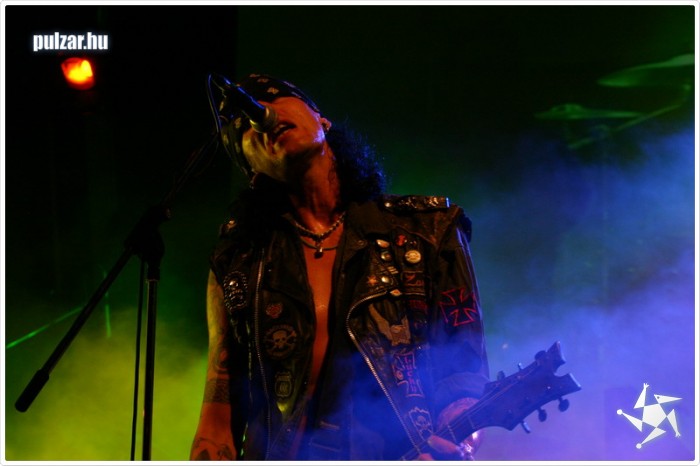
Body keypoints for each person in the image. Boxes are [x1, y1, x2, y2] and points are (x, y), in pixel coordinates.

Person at [190, 74, 490, 461]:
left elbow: (464, 373)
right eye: (243, 126)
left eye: (276, 99)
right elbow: (218, 411)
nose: (262, 114)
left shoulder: (429, 231)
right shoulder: (239, 260)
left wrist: (460, 435)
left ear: (322, 120)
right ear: (252, 169)